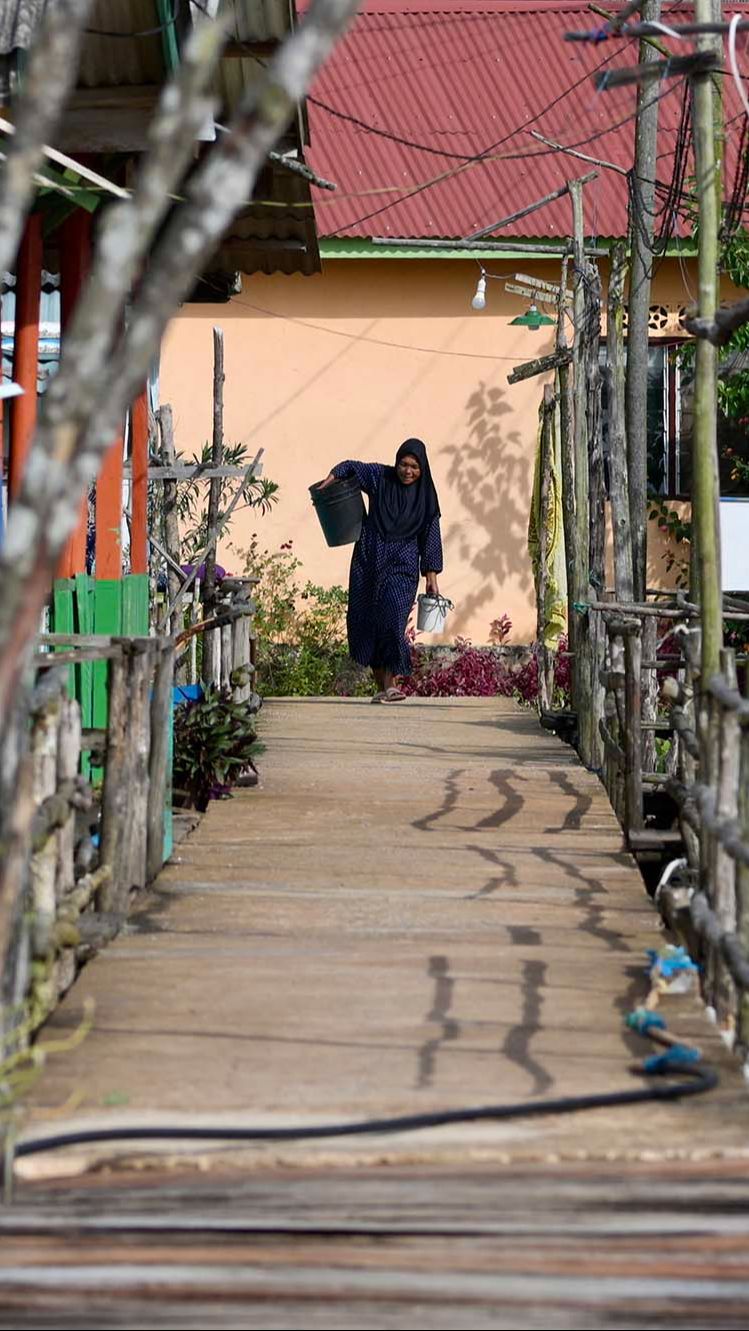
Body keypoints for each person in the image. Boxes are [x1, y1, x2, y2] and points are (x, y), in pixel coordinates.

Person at [316, 439, 443, 703]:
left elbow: (430, 537)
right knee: (366, 620)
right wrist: (330, 481)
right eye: (403, 464)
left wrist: (431, 577)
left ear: (423, 468)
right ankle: (381, 686)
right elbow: (351, 467)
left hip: (403, 563)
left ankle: (392, 683)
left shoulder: (426, 496)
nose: (407, 471)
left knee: (392, 617)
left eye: (414, 467)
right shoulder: (380, 477)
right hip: (368, 559)